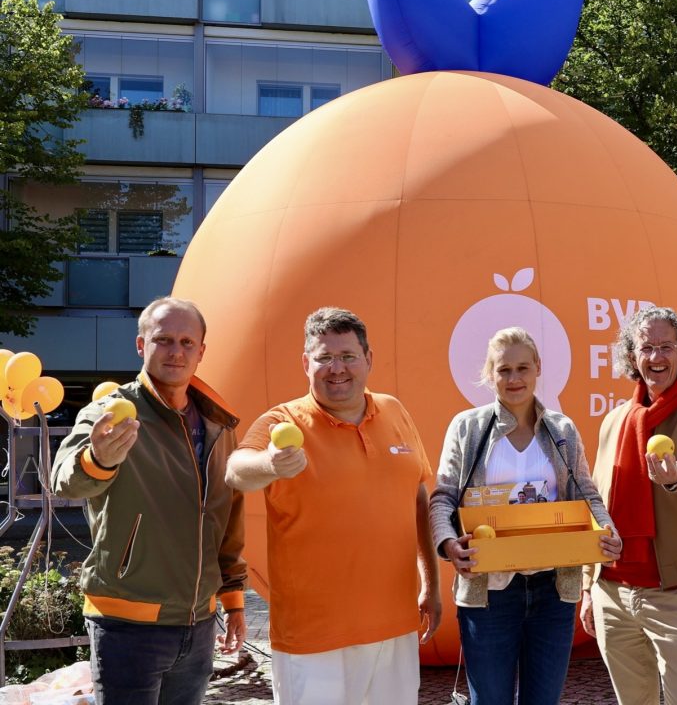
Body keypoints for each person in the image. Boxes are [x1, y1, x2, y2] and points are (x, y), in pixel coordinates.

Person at [225, 307, 440, 705]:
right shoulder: (283, 420)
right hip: (313, 636)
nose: (336, 368)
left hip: (394, 625)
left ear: (369, 359)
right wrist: (271, 464)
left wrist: (431, 583)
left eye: (347, 356)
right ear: (306, 363)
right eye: (324, 358)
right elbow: (236, 471)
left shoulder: (394, 411)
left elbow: (417, 497)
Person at [51, 297, 247, 705]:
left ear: (201, 351)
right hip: (127, 625)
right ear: (141, 345)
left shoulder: (218, 423)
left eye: (186, 342)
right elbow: (64, 481)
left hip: (199, 624)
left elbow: (228, 516)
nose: (176, 351)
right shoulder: (112, 413)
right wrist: (98, 459)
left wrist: (233, 599)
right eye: (163, 340)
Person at [430, 327, 622, 705]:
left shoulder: (561, 429)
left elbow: (586, 493)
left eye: (522, 368)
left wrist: (607, 528)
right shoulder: (468, 428)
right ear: (490, 374)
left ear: (538, 368)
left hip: (555, 590)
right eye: (503, 370)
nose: (514, 379)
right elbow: (443, 498)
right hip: (488, 594)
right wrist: (449, 542)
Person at [581, 306, 677, 705]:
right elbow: (595, 503)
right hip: (611, 589)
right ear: (632, 356)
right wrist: (587, 586)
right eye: (647, 347)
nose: (656, 357)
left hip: (675, 591)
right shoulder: (613, 420)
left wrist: (676, 475)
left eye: (667, 347)